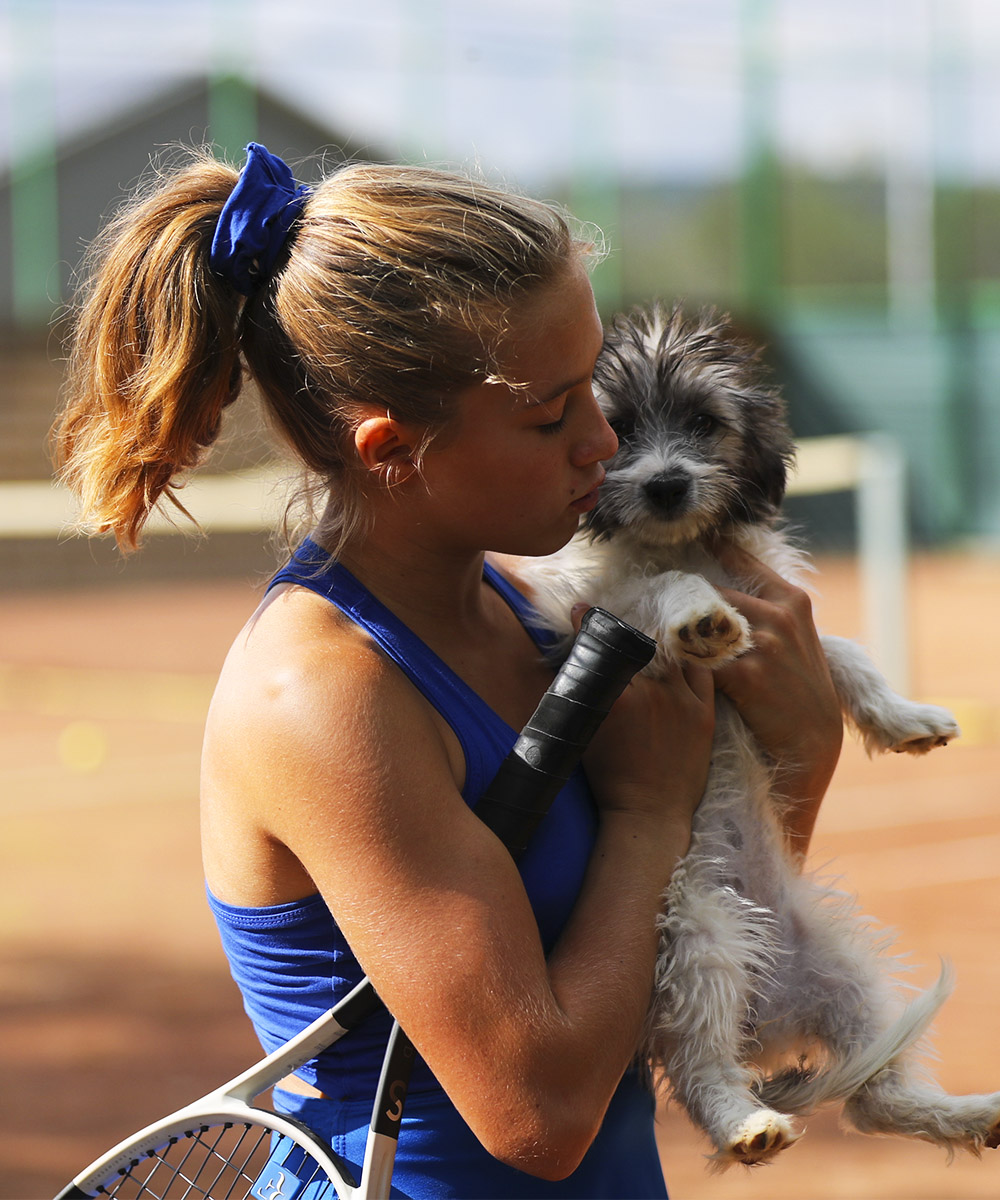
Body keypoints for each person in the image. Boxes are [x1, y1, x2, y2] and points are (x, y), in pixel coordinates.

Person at [53, 143, 843, 1198]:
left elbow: (691, 984)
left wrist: (802, 746)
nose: (603, 443)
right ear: (391, 450)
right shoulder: (322, 696)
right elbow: (538, 1115)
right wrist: (651, 806)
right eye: (550, 412)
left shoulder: (529, 610)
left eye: (592, 388)